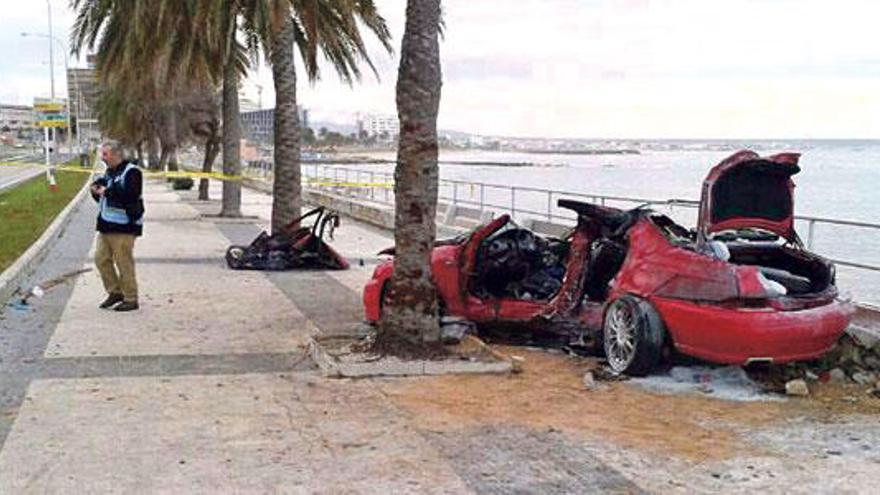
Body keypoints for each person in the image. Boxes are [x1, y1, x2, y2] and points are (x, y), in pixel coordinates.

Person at [90, 140, 144, 311]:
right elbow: (103, 198)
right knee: (100, 259)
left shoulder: (132, 172)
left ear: (116, 155)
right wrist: (96, 191)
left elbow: (130, 195)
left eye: (105, 154)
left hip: (124, 226)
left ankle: (130, 298)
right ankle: (115, 292)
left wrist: (107, 191)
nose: (103, 158)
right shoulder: (109, 172)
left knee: (123, 262)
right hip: (106, 225)